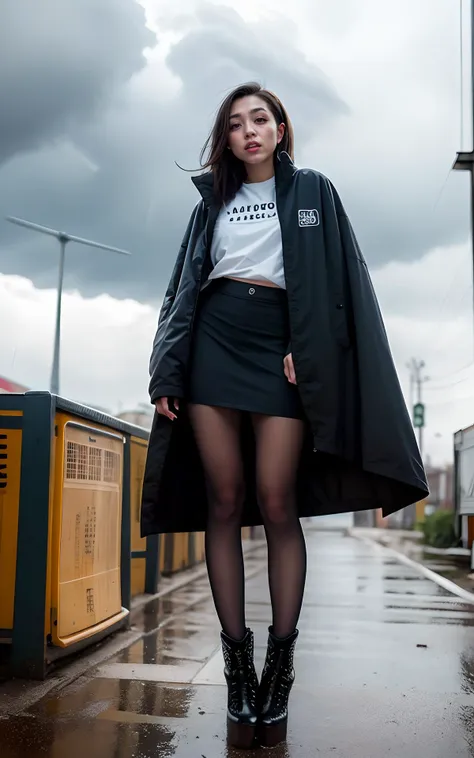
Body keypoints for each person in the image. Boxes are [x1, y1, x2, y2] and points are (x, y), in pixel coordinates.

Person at [141, 82, 428, 749]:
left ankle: (281, 661)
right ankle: (238, 666)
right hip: (214, 342)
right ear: (227, 138)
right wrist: (168, 367)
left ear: (279, 128)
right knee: (224, 499)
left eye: (259, 119)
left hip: (283, 351)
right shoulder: (212, 201)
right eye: (236, 123)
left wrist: (312, 347)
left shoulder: (314, 192)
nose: (249, 131)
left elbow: (338, 281)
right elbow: (183, 286)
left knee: (276, 501)